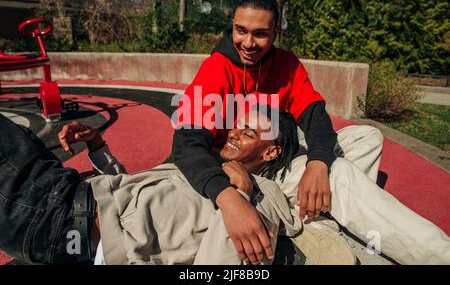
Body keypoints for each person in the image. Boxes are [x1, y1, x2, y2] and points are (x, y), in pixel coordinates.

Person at [172, 0, 450, 264]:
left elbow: (314, 115)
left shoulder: (286, 64)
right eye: (240, 30)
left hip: (276, 150)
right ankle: (440, 255)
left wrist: (317, 162)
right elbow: (185, 144)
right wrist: (226, 195)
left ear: (275, 34)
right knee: (339, 173)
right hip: (248, 166)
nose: (248, 42)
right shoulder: (216, 68)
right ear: (232, 27)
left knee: (367, 137)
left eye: (260, 34)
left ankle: (315, 213)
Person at [0, 108, 303, 265]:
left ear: (270, 152)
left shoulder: (260, 194)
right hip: (65, 201)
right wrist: (98, 148)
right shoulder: (209, 166)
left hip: (60, 218)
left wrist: (240, 194)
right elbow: (140, 201)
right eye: (238, 124)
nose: (235, 133)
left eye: (249, 132)